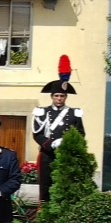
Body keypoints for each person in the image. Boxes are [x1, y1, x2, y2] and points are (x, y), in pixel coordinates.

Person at [32, 63, 85, 202]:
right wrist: (51, 144)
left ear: (66, 97)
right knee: (45, 187)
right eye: (56, 95)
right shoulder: (42, 112)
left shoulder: (74, 114)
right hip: (47, 155)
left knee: (65, 186)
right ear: (52, 97)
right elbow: (37, 134)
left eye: (62, 96)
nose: (59, 98)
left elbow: (81, 134)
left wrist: (66, 142)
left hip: (66, 155)